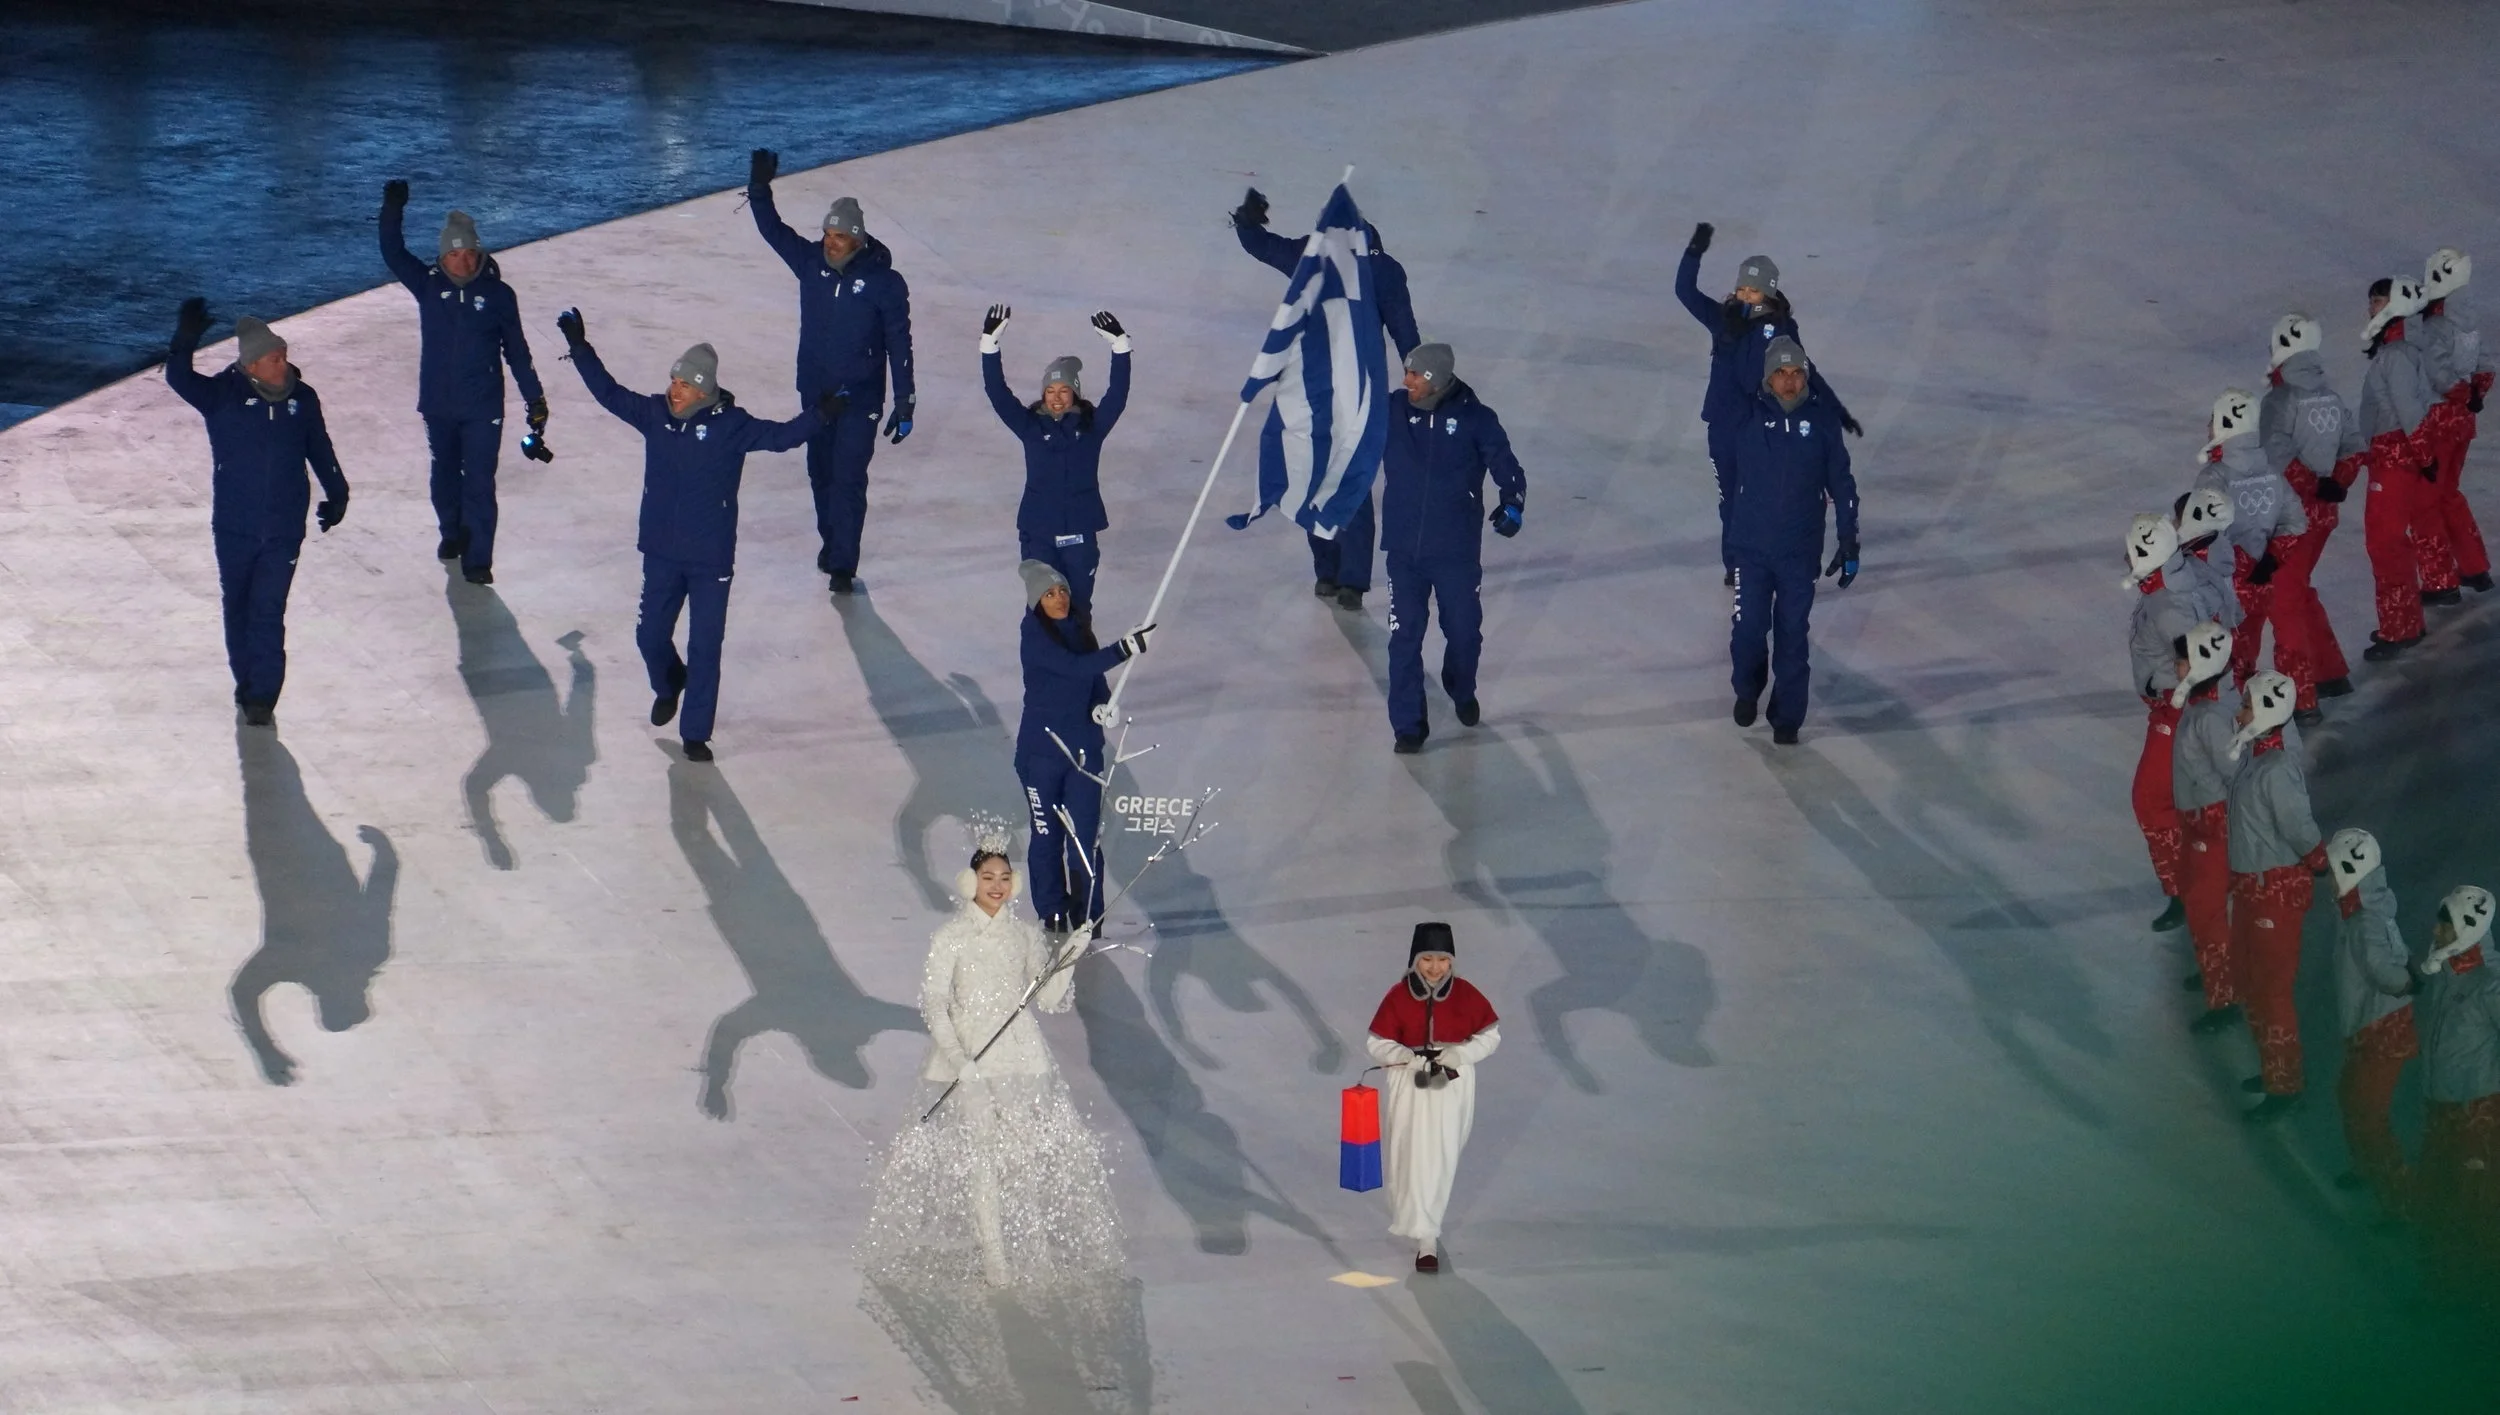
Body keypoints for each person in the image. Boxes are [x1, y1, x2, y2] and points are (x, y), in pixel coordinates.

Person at [557, 308, 830, 761]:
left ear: (703, 390)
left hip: (710, 558)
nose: (674, 390)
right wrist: (580, 348)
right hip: (661, 552)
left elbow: (782, 437)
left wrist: (821, 414)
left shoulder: (732, 426)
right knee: (650, 637)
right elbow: (609, 393)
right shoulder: (654, 414)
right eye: (673, 380)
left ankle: (695, 732)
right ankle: (669, 682)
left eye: (684, 384)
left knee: (705, 647)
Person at [856, 839, 1122, 1289]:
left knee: (1020, 1160)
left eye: (1004, 878)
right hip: (971, 1058)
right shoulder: (951, 937)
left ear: (1014, 884)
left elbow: (1048, 999)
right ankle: (996, 1257)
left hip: (1019, 1056)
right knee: (983, 1159)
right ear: (970, 883)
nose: (996, 886)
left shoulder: (1024, 936)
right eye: (987, 877)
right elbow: (935, 1003)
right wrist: (959, 1059)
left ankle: (1027, 1251)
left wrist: (1071, 957)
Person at [1230, 186, 1420, 609]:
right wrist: (1247, 222)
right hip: (1330, 391)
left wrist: (1419, 376)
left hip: (1338, 392)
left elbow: (1404, 329)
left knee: (1336, 476)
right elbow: (1264, 246)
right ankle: (1335, 575)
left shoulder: (1358, 266)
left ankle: (1343, 576)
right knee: (1327, 476)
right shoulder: (1330, 260)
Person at [165, 300, 350, 727]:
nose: (284, 365)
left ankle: (263, 696)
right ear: (251, 365)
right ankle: (247, 681)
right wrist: (185, 339)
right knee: (238, 607)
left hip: (284, 527)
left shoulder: (303, 399)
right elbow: (178, 378)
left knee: (267, 610)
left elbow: (319, 449)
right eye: (275, 359)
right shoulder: (222, 396)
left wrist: (337, 493)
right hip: (234, 526)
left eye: (283, 355)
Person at [745, 149, 915, 595]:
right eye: (826, 233)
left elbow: (899, 343)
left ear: (857, 239)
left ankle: (843, 562)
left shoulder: (885, 283)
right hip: (817, 394)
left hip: (860, 398)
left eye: (839, 236)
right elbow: (773, 230)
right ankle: (831, 543)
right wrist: (759, 188)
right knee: (820, 473)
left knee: (848, 479)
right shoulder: (810, 264)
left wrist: (905, 400)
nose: (830, 242)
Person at [377, 180, 547, 586]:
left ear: (480, 254)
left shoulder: (499, 295)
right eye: (455, 254)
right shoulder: (428, 285)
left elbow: (517, 351)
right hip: (438, 403)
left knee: (480, 482)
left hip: (482, 406)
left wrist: (534, 398)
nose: (464, 261)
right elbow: (392, 252)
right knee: (444, 476)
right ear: (443, 256)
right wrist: (392, 207)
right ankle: (451, 532)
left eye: (470, 253)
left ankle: (478, 559)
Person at [1674, 224, 1860, 583]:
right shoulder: (1723, 320)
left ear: (1768, 292)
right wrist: (1694, 251)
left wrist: (1835, 409)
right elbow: (1684, 291)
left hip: (1760, 428)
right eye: (1742, 288)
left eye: (1754, 290)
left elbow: (1806, 372)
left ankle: (1766, 561)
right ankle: (1736, 566)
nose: (1746, 296)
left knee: (1758, 499)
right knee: (1730, 499)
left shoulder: (1783, 330)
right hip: (1723, 427)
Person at [1381, 344, 1528, 753]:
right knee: (1404, 638)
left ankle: (1460, 686)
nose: (1406, 381)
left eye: (1415, 375)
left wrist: (1513, 505)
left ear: (1435, 379)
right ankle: (1408, 726)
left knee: (1464, 634)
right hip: (1403, 552)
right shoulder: (1393, 411)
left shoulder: (1476, 420)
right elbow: (1350, 426)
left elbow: (1509, 470)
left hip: (1455, 554)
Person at [1724, 337, 1858, 746]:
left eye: (1797, 373)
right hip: (1751, 550)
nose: (1789, 381)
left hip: (1798, 553)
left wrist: (1849, 538)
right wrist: (1745, 324)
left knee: (1793, 635)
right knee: (1748, 628)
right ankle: (1748, 687)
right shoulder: (1745, 415)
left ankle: (1787, 715)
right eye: (1780, 373)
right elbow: (1725, 375)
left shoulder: (1821, 424)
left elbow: (1842, 484)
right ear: (1767, 377)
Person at [1016, 561, 1153, 933]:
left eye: (1062, 590)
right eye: (1049, 594)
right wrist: (1123, 649)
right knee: (1047, 836)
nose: (1059, 598)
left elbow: (1093, 680)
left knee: (1085, 838)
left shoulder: (1079, 631)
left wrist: (1099, 707)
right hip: (1041, 756)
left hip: (1084, 755)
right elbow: (1074, 667)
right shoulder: (1034, 638)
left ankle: (1088, 916)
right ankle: (1052, 912)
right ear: (1037, 603)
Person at [2221, 671, 2328, 1123]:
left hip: (2273, 893)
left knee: (2272, 990)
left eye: (2247, 705)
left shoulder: (2277, 769)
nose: (2239, 711)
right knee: (2251, 982)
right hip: (2251, 886)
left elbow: (2299, 827)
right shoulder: (2254, 755)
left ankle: (2285, 1084)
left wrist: (2319, 860)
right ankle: (2272, 1067)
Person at [1365, 922, 1501, 1273]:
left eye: (1442, 959)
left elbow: (1490, 1036)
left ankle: (1428, 1231)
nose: (1435, 967)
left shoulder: (1467, 995)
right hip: (1409, 1085)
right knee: (1408, 1154)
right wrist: (1403, 1056)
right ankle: (1423, 1233)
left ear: (1452, 961)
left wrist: (1460, 1054)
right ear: (1415, 960)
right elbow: (1376, 1042)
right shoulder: (1398, 995)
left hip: (1451, 1086)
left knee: (1441, 1156)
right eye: (1427, 959)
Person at [980, 305, 1130, 616]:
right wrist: (989, 346)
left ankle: (1082, 650)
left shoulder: (1092, 428)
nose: (1057, 397)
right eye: (1050, 390)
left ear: (1075, 393)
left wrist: (1121, 347)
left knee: (1078, 609)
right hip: (1039, 533)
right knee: (1043, 611)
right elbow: (998, 394)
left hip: (1080, 532)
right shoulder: (1030, 427)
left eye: (1064, 390)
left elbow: (1117, 395)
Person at [2257, 313, 2363, 715]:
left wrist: (2312, 484)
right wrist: (2337, 481)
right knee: (2298, 590)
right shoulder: (2330, 397)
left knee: (2284, 601)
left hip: (2290, 518)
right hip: (2322, 517)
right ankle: (2329, 672)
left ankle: (2299, 699)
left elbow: (2276, 454)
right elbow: (2355, 446)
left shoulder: (2280, 400)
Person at [2413, 885, 2500, 1304]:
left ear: (2467, 928)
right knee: (2438, 1195)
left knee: (2476, 1203)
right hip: (2441, 1109)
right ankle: (2443, 1285)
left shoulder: (2490, 985)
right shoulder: (2448, 974)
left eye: (2445, 925)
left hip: (2476, 1113)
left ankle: (2481, 1296)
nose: (2436, 931)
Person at [2324, 828, 2416, 1217]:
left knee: (2369, 1113)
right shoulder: (2357, 909)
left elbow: (2381, 966)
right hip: (2368, 1024)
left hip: (2382, 1030)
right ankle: (2365, 1165)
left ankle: (2400, 1198)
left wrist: (2405, 981)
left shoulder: (2364, 919)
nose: (2328, 878)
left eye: (2333, 871)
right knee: (2349, 1095)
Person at [2126, 513, 2211, 932]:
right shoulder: (2167, 585)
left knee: (2151, 800)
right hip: (2174, 708)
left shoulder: (2168, 606)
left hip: (2177, 712)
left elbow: (2198, 664)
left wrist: (2181, 704)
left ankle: (2187, 889)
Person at [2192, 388, 2306, 696]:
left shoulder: (2214, 478)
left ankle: (2228, 713)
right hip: (2260, 583)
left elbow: (2202, 536)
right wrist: (2270, 558)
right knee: (2246, 654)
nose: (2208, 426)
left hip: (2225, 588)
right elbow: (2296, 521)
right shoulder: (2272, 474)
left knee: (2220, 661)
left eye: (2213, 420)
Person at [2357, 275, 2443, 658]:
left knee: (2385, 544)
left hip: (2392, 460)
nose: (2370, 309)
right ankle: (2405, 622)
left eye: (2376, 301)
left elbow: (2409, 411)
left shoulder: (2394, 357)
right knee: (2391, 543)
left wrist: (2425, 457)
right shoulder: (2399, 353)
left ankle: (2400, 628)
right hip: (2393, 457)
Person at [2169, 621, 2241, 1031]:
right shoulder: (2201, 710)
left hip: (2212, 825)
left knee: (2207, 911)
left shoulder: (2211, 718)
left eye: (2182, 661)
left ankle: (2224, 994)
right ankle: (2215, 968)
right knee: (2201, 905)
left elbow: (2235, 774)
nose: (2175, 667)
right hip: (2200, 822)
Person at [2417, 248, 2496, 594]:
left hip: (2438, 420)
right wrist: (2475, 394)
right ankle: (2474, 566)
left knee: (2425, 501)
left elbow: (2439, 375)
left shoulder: (2435, 326)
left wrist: (2462, 394)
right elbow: (2486, 366)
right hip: (2463, 422)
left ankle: (2439, 581)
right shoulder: (2469, 323)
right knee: (2448, 493)